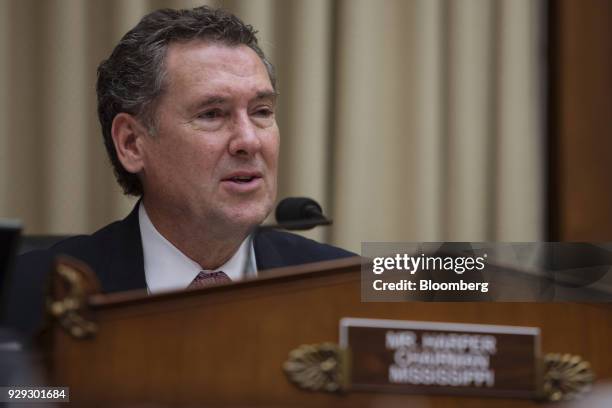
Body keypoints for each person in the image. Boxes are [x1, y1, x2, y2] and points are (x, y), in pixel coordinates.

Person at [7, 6, 353, 333]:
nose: (249, 140)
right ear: (131, 143)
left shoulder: (350, 283)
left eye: (261, 111)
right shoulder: (26, 294)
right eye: (212, 114)